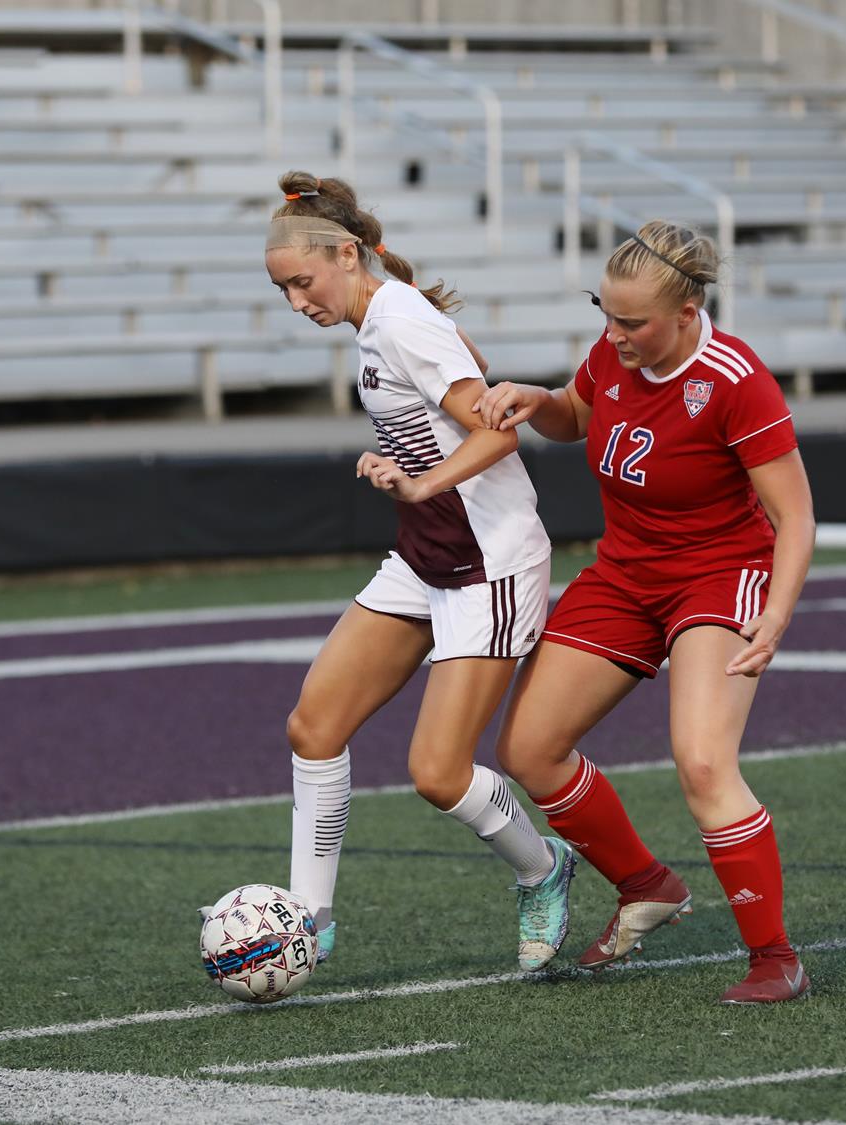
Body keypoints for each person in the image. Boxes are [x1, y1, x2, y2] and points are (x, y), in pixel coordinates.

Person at [475, 220, 818, 1004]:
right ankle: (647, 882)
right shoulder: (612, 353)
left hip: (717, 577)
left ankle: (775, 956)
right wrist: (537, 401)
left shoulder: (735, 379)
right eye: (606, 313)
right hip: (625, 574)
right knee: (529, 748)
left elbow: (794, 517)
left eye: (632, 321)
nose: (614, 334)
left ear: (689, 310)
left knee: (702, 761)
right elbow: (575, 413)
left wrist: (778, 612)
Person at [259, 170, 576, 972]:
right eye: (283, 291)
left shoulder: (401, 319)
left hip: (489, 562)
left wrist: (420, 480)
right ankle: (309, 916)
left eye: (302, 282)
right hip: (427, 553)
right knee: (314, 725)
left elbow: (499, 431)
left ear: (345, 253)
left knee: (437, 773)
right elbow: (442, 424)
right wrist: (405, 462)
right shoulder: (381, 318)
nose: (298, 303)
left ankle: (545, 868)